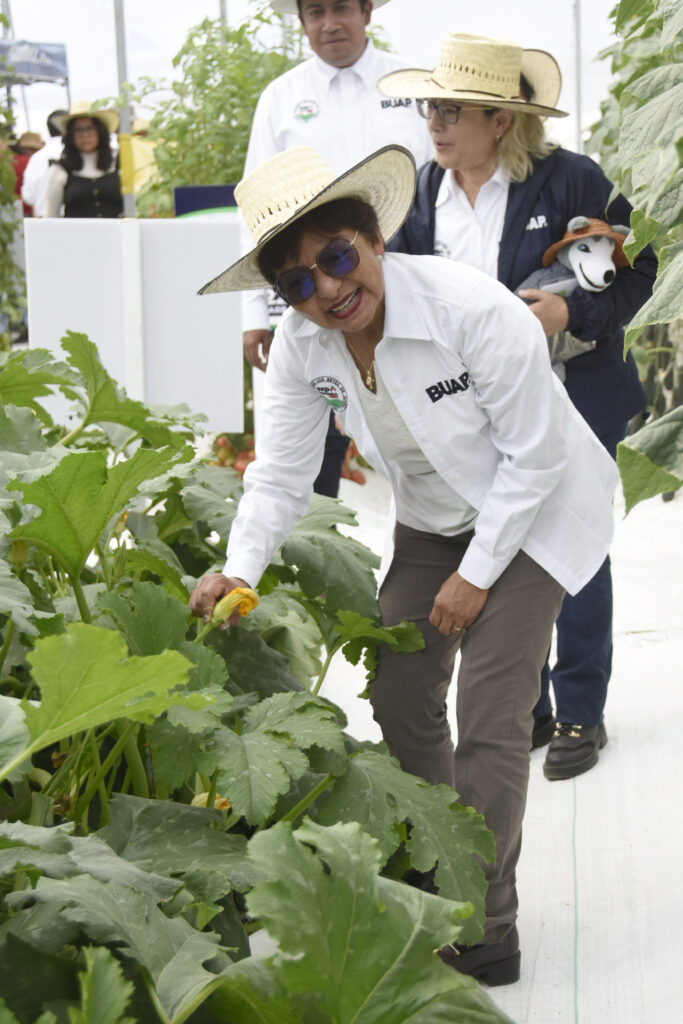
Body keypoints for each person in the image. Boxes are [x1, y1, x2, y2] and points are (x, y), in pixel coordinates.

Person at [190, 143, 618, 984]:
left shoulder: (469, 308)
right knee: (397, 690)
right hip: (431, 523)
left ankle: (485, 922)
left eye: (337, 258)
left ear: (372, 239)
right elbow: (277, 474)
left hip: (529, 513)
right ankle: (440, 853)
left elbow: (531, 460)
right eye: (298, 283)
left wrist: (476, 578)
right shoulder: (302, 349)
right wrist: (239, 569)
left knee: (493, 713)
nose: (328, 290)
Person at [379, 33, 657, 780]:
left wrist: (572, 318)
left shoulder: (569, 181)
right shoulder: (420, 195)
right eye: (427, 108)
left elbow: (640, 268)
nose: (432, 122)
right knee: (499, 540)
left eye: (449, 110)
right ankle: (527, 706)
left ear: (500, 120)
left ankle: (578, 711)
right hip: (474, 408)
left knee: (571, 541)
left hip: (572, 388)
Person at [242, 0, 431, 497]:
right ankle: (315, 559)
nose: (329, 23)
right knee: (309, 456)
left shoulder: (410, 84)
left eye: (342, 7)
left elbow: (439, 187)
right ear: (302, 20)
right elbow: (254, 211)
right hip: (316, 292)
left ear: (367, 10)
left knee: (427, 437)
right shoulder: (281, 98)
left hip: (405, 290)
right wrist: (253, 314)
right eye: (315, 11)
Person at [44, 102, 122, 219]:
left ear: (100, 131)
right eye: (78, 130)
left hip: (116, 236)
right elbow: (51, 216)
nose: (85, 135)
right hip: (76, 236)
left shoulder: (118, 164)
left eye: (90, 128)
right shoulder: (60, 169)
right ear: (71, 135)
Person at [21, 110, 68, 217]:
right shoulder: (75, 154)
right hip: (71, 218)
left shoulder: (36, 158)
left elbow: (28, 196)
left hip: (42, 219)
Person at [9, 132, 44, 215]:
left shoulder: (11, 161)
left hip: (11, 210)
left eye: (34, 149)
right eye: (29, 149)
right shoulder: (29, 162)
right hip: (26, 211)